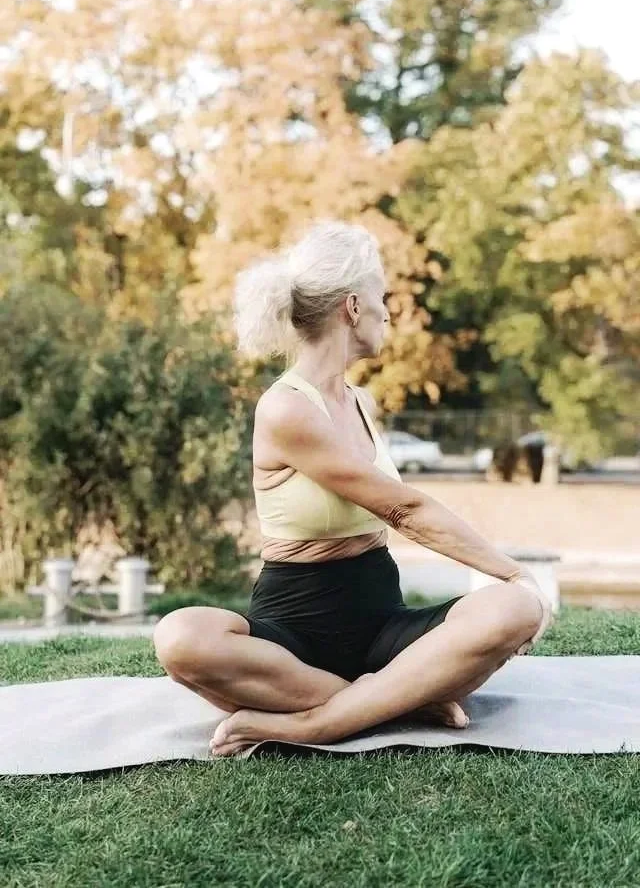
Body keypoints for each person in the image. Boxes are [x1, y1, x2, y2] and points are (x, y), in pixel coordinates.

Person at [154, 220, 553, 756]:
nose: (389, 311)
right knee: (181, 638)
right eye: (381, 296)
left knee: (511, 610)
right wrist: (515, 572)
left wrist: (516, 593)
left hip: (381, 621)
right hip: (293, 633)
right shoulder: (286, 407)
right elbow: (405, 510)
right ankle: (379, 706)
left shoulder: (362, 402)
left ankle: (326, 714)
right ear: (353, 307)